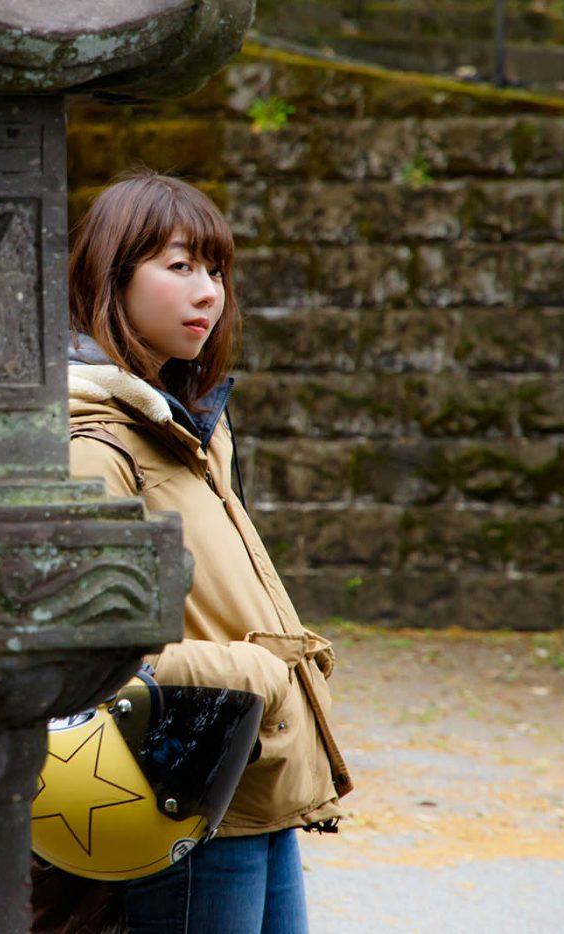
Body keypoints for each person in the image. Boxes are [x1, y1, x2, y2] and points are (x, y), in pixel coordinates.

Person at [65, 170, 352, 934]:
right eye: (179, 266)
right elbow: (89, 658)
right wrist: (258, 671)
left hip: (250, 777)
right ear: (110, 275)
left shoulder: (192, 425)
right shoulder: (93, 444)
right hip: (176, 785)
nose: (209, 293)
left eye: (216, 270)